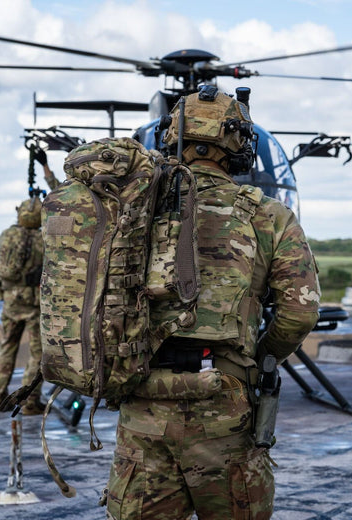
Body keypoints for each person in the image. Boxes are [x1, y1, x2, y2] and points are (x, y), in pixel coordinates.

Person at [105, 88, 321, 519]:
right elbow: (299, 312)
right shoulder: (268, 215)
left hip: (142, 401)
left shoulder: (132, 211)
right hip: (224, 406)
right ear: (238, 143)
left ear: (172, 137)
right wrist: (257, 360)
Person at [0, 197, 45, 415]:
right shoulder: (44, 238)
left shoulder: (8, 235)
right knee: (38, 353)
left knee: (6, 347)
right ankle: (29, 402)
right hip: (34, 303)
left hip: (11, 301)